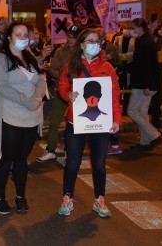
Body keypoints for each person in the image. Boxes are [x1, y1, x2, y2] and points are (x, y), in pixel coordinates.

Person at [57, 27, 122, 218]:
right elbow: (62, 87)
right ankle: (67, 198)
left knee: (99, 164)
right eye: (90, 41)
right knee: (72, 163)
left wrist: (117, 120)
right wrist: (67, 94)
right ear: (81, 44)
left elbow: (114, 95)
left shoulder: (107, 68)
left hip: (101, 123)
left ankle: (99, 199)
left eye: (97, 41)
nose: (94, 44)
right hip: (75, 122)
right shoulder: (71, 66)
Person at [0, 22, 46, 214]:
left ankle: (21, 197)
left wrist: (37, 96)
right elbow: (2, 87)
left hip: (31, 117)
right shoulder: (0, 59)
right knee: (6, 158)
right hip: (10, 116)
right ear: (9, 37)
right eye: (18, 35)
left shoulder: (30, 57)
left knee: (22, 159)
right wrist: (26, 101)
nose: (22, 38)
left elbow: (40, 79)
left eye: (25, 35)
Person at [37, 24, 80, 162]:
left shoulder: (83, 52)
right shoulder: (60, 51)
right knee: (54, 121)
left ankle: (71, 150)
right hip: (62, 90)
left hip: (79, 92)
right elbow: (52, 69)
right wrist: (64, 78)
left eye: (74, 37)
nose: (71, 40)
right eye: (69, 36)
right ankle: (51, 150)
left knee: (76, 123)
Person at [127, 18, 162, 150]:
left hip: (143, 85)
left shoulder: (144, 43)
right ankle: (145, 141)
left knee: (132, 111)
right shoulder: (144, 41)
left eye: (133, 28)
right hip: (146, 83)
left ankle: (154, 135)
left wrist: (147, 85)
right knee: (141, 113)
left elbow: (147, 66)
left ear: (139, 27)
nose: (131, 31)